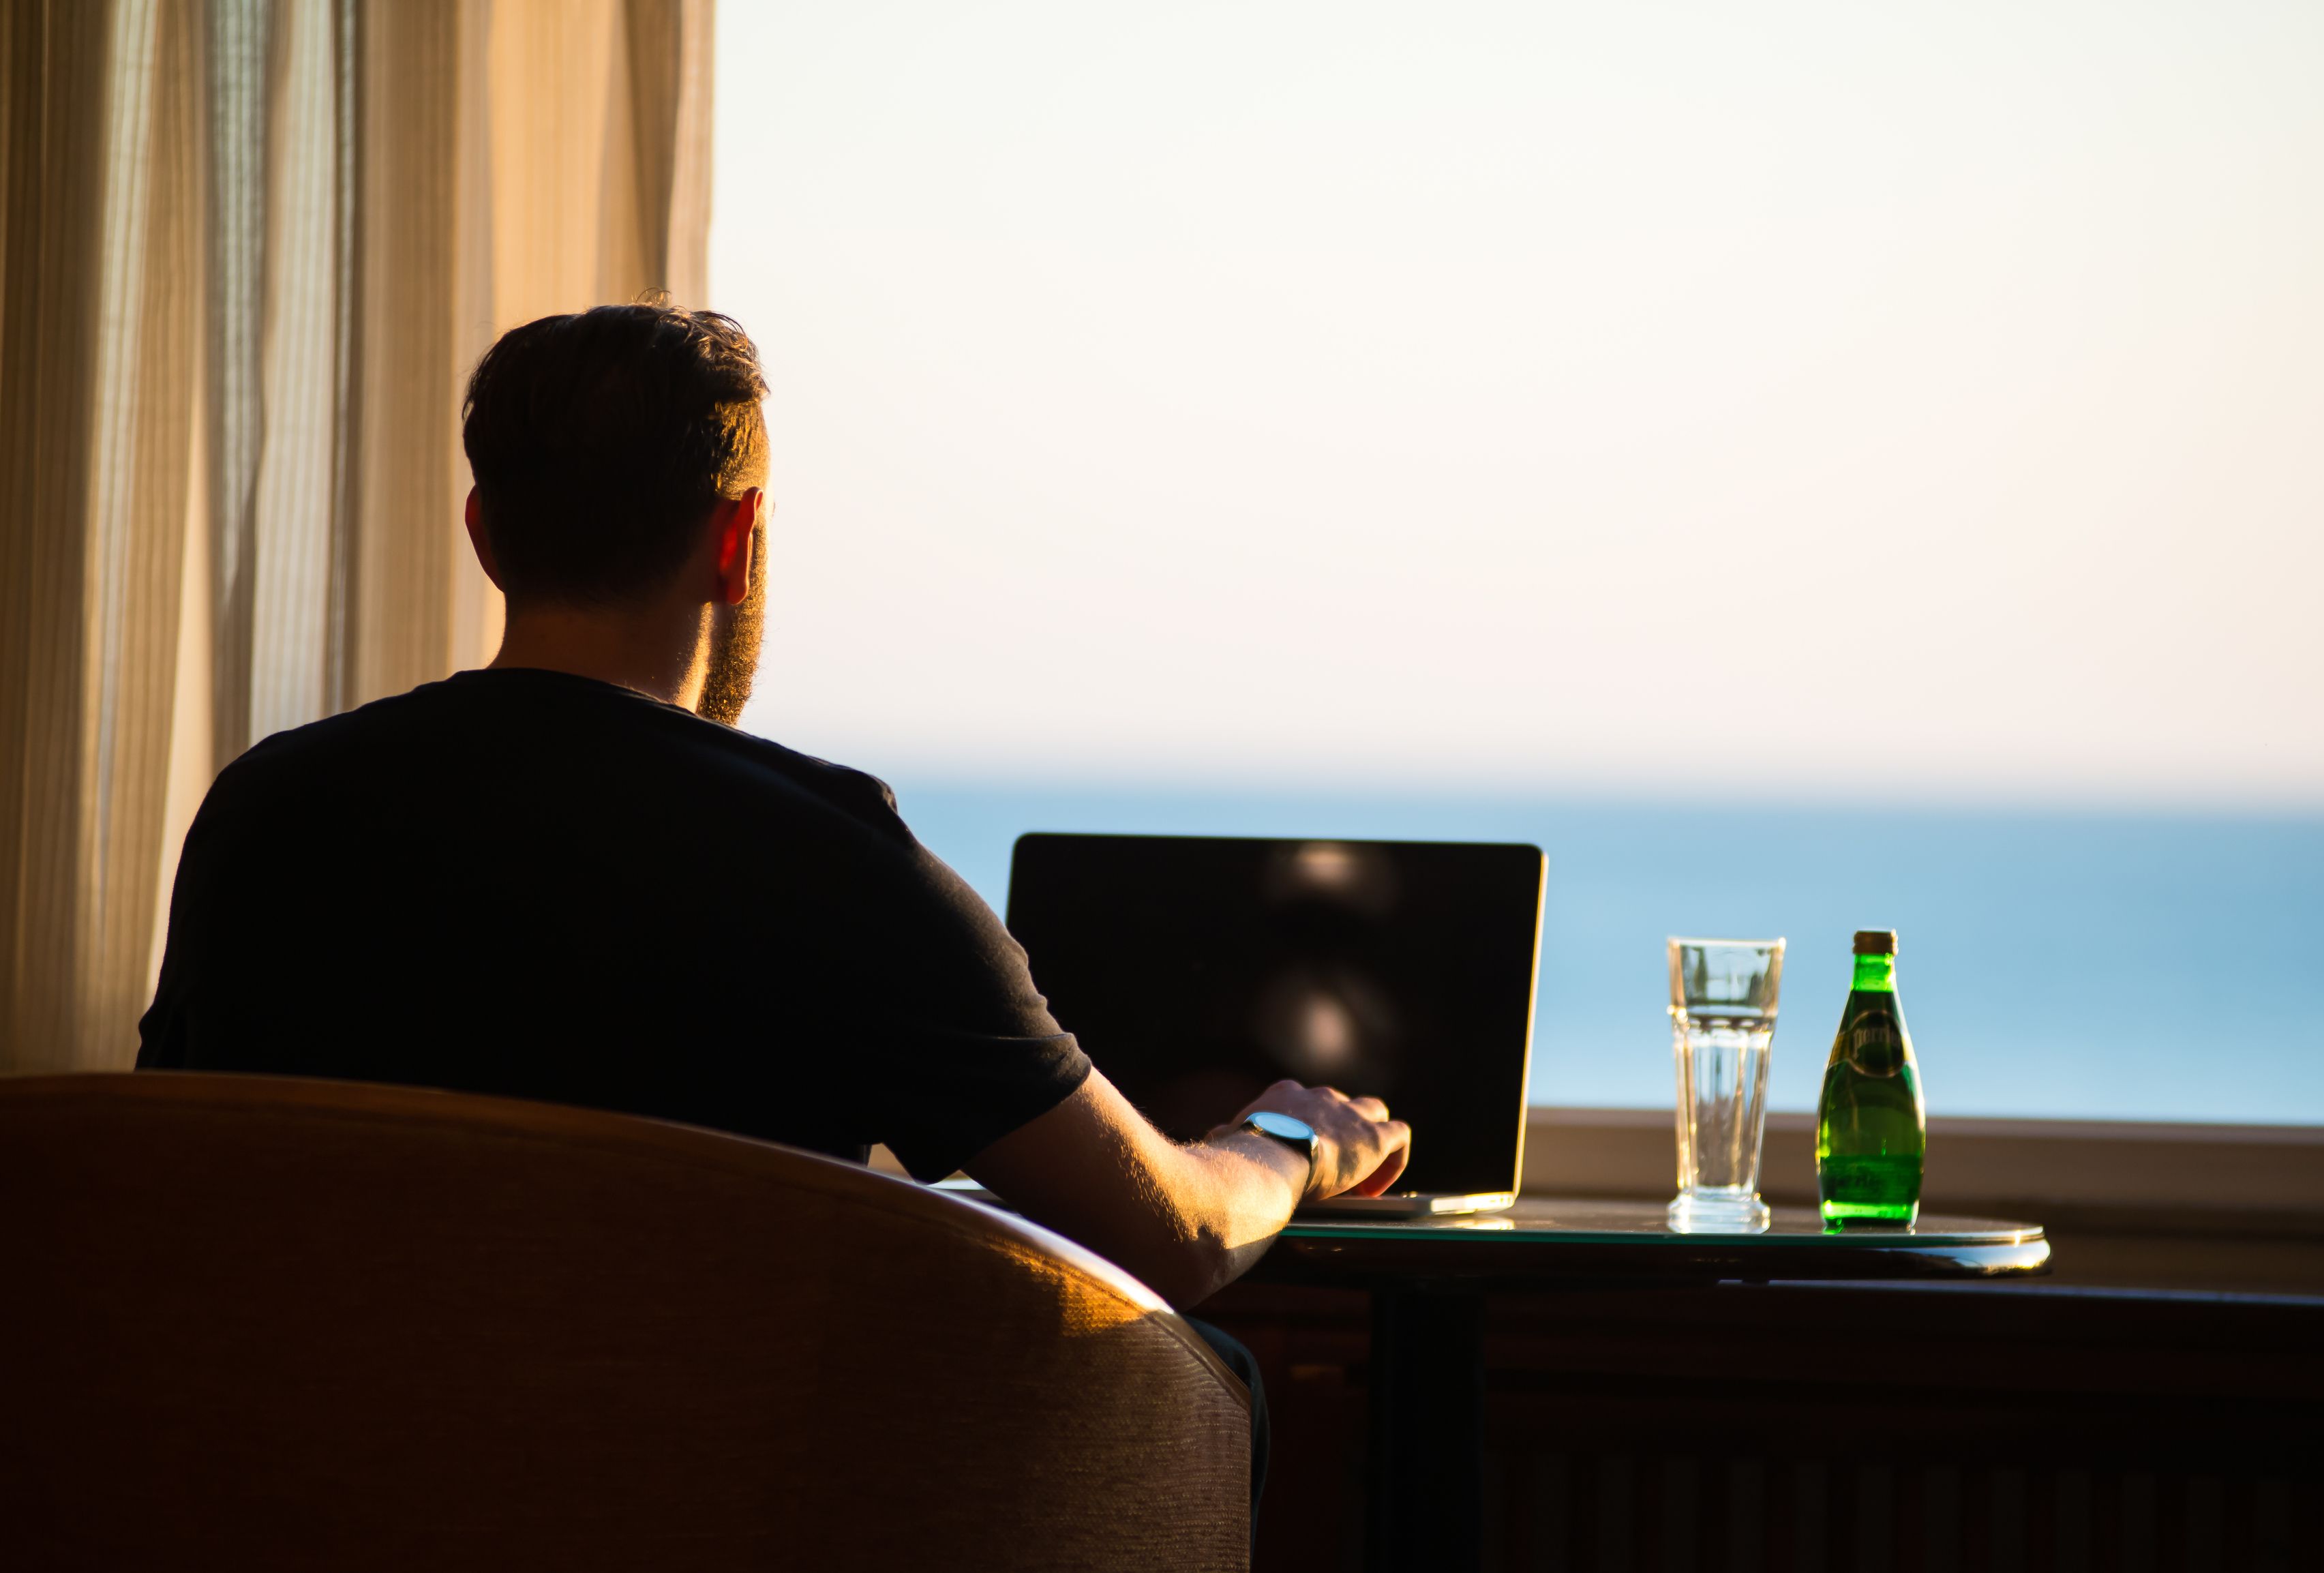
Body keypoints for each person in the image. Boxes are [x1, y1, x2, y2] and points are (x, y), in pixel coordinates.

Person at [137, 303, 1410, 1518]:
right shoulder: (830, 857)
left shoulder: (268, 809)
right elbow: (1178, 1238)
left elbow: (181, 1182)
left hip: (317, 1488)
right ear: (738, 538)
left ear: (485, 532)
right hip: (697, 1508)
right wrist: (1290, 1139)